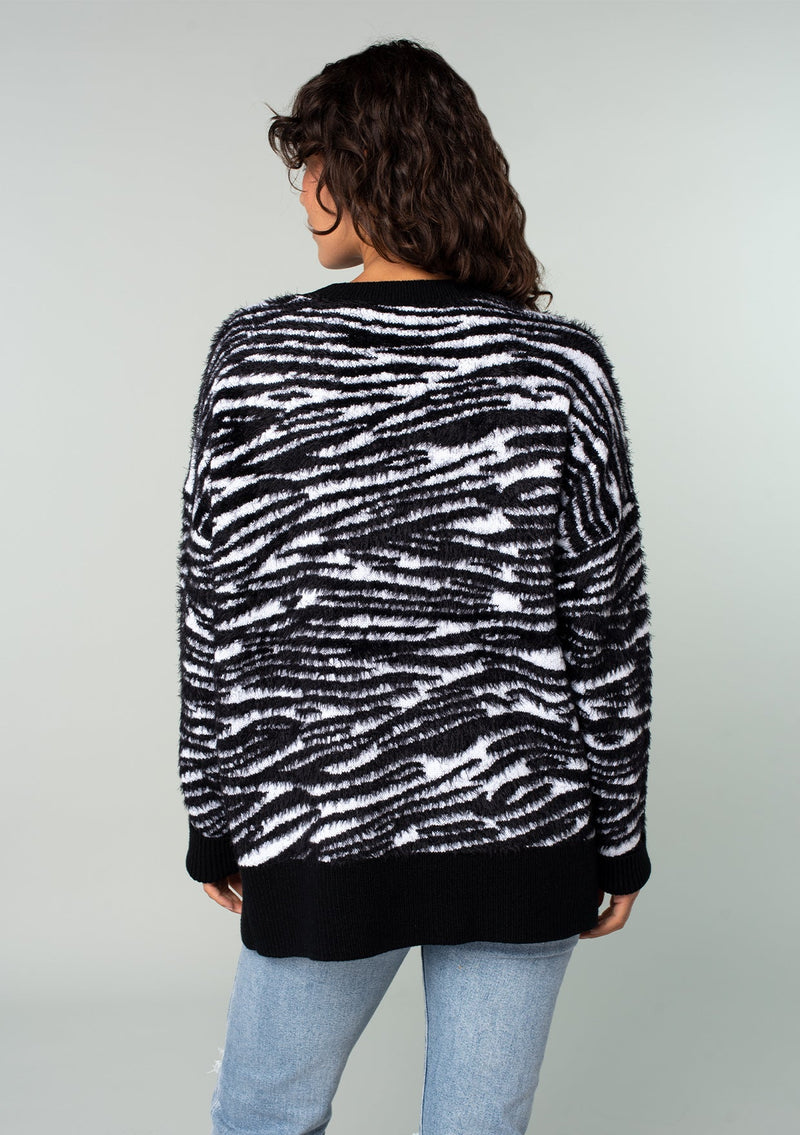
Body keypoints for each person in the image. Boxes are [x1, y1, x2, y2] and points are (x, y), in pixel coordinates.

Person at [176, 38, 654, 1135]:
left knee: (262, 1113)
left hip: (316, 815)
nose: (302, 187)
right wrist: (619, 831)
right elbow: (605, 627)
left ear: (363, 171)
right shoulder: (559, 363)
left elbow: (215, 609)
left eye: (313, 161)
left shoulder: (257, 355)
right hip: (524, 817)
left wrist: (215, 814)